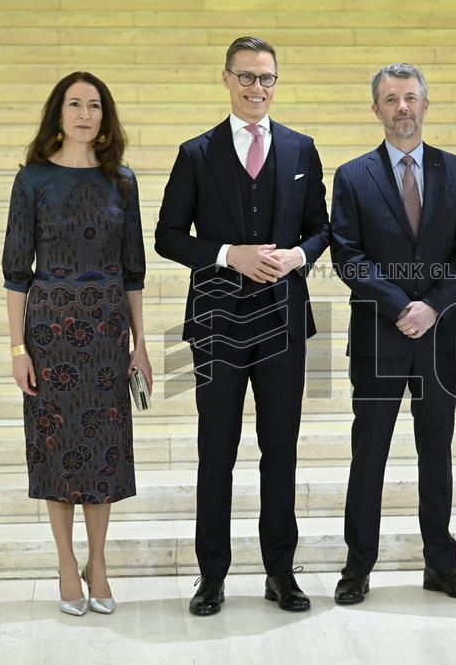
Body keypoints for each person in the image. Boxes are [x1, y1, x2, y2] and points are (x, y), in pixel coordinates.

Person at [154, 36, 330, 616]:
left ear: (277, 83)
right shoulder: (196, 153)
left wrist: (297, 258)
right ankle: (212, 576)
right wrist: (230, 253)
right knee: (217, 450)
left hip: (282, 320)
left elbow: (320, 228)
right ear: (226, 79)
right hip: (217, 323)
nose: (258, 88)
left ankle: (281, 572)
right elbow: (168, 236)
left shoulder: (302, 150)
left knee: (281, 450)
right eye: (247, 77)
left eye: (268, 78)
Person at [330, 63, 456, 604]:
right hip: (379, 335)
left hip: (441, 338)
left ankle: (441, 566)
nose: (402, 107)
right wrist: (402, 307)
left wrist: (433, 308)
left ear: (425, 105)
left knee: (435, 452)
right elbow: (348, 256)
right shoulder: (352, 175)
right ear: (376, 109)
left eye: (411, 97)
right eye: (391, 99)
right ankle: (357, 568)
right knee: (368, 453)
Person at [3, 71, 150, 616]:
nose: (84, 114)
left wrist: (140, 345)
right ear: (58, 114)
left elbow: (133, 272)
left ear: (105, 117)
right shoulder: (33, 180)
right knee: (57, 451)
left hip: (108, 334)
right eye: (74, 104)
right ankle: (67, 562)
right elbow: (16, 274)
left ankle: (99, 561)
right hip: (50, 335)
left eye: (94, 105)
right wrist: (18, 350)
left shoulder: (123, 182)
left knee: (105, 452)